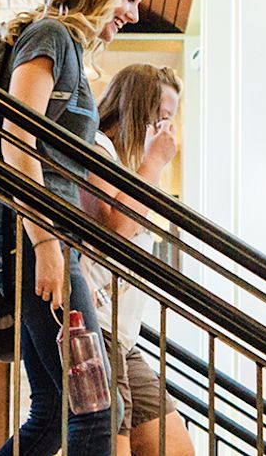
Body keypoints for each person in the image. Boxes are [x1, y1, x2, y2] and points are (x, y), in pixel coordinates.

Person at [0, 0, 151, 456]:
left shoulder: (69, 48)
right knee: (95, 409)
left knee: (55, 410)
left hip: (43, 237)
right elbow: (17, 136)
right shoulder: (49, 36)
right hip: (30, 236)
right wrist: (46, 247)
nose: (133, 14)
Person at [82, 64, 195, 456]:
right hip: (96, 323)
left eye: (171, 120)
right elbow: (115, 225)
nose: (167, 130)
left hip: (123, 334)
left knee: (176, 447)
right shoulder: (97, 147)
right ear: (136, 108)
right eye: (162, 117)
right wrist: (155, 163)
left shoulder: (132, 167)